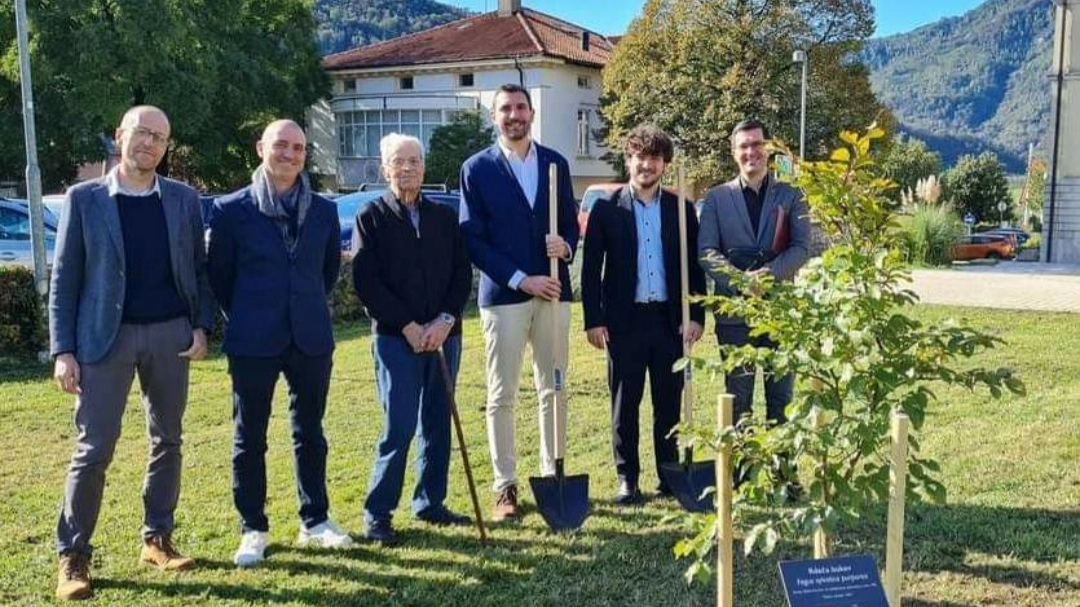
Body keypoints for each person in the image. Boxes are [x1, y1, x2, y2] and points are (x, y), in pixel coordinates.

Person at [49, 105, 215, 600]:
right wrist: (64, 350)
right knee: (93, 449)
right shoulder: (84, 199)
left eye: (160, 137)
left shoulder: (184, 199)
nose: (150, 143)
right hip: (105, 339)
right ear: (120, 135)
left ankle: (157, 538)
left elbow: (200, 271)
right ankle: (74, 555)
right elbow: (65, 280)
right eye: (142, 133)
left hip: (170, 336)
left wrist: (202, 327)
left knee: (169, 440)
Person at [207, 119, 351, 567]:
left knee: (310, 432)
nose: (290, 155)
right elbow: (220, 277)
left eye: (298, 148)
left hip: (309, 336)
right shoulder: (231, 210)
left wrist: (300, 306)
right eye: (281, 146)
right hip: (254, 337)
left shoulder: (325, 211)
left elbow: (326, 274)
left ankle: (316, 520)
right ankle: (253, 527)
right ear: (260, 149)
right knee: (249, 437)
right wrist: (251, 312)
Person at [459, 84, 579, 522]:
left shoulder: (555, 164)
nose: (515, 115)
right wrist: (520, 278)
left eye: (521, 107)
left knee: (555, 387)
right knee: (502, 394)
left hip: (553, 293)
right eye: (506, 109)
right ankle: (504, 485)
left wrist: (564, 247)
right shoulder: (477, 169)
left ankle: (553, 475)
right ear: (495, 116)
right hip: (505, 298)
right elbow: (473, 238)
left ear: (532, 112)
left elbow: (570, 223)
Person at [352, 133, 472, 545]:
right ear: (385, 168)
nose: (408, 168)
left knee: (438, 423)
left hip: (444, 336)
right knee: (399, 426)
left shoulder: (443, 217)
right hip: (395, 339)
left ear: (425, 166)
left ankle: (430, 502)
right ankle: (379, 512)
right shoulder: (371, 217)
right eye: (399, 161)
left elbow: (461, 274)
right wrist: (407, 325)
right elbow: (366, 282)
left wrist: (444, 321)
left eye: (415, 161)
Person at [581, 125, 706, 504]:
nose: (646, 165)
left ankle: (669, 477)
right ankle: (627, 479)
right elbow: (590, 270)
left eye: (654, 158)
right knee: (625, 404)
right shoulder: (606, 210)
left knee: (668, 404)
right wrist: (593, 319)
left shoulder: (681, 210)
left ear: (663, 164)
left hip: (669, 322)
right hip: (624, 322)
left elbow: (693, 267)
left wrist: (696, 314)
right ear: (629, 160)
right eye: (639, 157)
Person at [697, 119, 810, 426]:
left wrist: (769, 274)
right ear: (734, 153)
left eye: (757, 144)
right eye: (744, 146)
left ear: (769, 149)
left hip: (780, 311)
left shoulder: (791, 194)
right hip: (734, 314)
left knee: (782, 401)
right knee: (738, 401)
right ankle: (743, 473)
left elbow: (802, 247)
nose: (751, 152)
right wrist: (741, 281)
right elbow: (706, 251)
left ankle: (783, 473)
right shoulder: (717, 198)